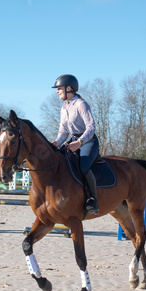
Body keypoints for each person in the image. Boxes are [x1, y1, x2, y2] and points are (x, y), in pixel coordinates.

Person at [51, 74, 99, 216]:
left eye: (59, 88)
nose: (57, 91)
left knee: (82, 166)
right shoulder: (64, 107)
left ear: (69, 88)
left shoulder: (81, 104)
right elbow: (63, 131)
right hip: (73, 141)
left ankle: (92, 200)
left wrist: (79, 142)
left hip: (88, 141)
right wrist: (57, 142)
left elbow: (91, 127)